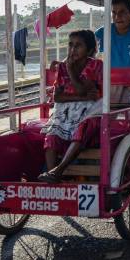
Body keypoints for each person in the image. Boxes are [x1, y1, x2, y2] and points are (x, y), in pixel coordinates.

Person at [38, 30, 102, 183]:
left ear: (89, 49)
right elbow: (57, 97)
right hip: (66, 110)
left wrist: (71, 71)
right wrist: (82, 96)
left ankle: (57, 171)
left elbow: (81, 88)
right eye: (70, 45)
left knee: (82, 128)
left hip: (91, 110)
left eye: (78, 46)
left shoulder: (95, 65)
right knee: (52, 135)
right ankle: (52, 177)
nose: (73, 49)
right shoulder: (61, 68)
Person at [95, 0, 130, 107]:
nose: (117, 16)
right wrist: (65, 62)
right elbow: (86, 50)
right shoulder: (102, 32)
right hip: (112, 79)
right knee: (108, 114)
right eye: (114, 12)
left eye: (122, 12)